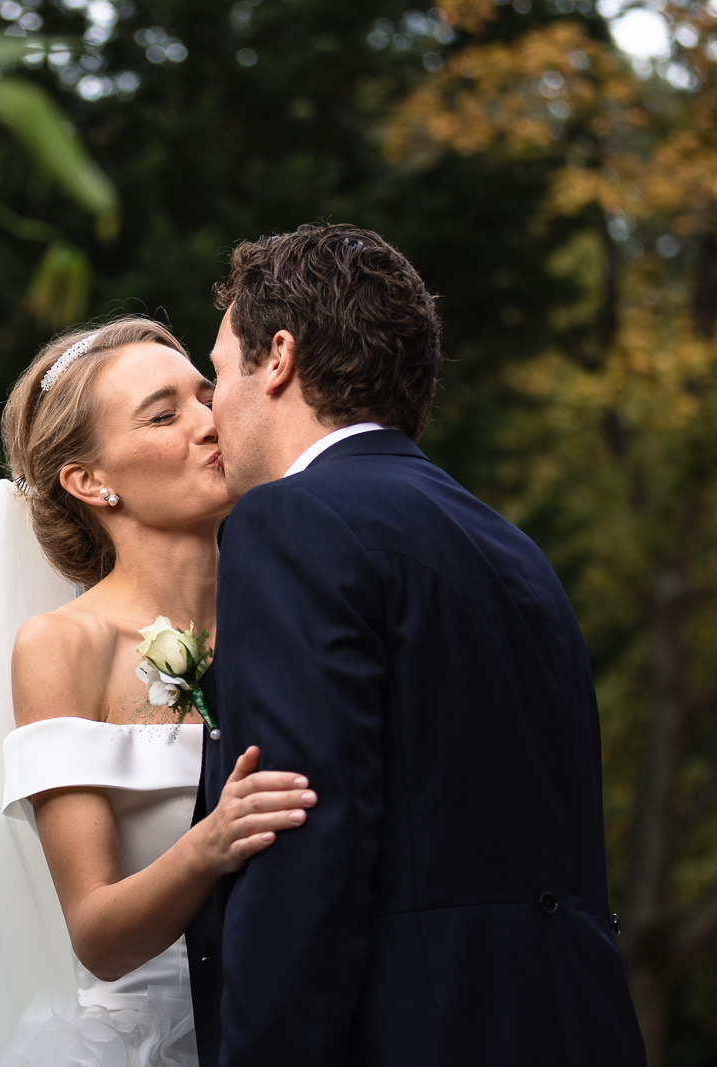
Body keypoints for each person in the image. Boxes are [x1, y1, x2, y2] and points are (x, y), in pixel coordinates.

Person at [186, 223, 646, 1066]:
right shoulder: (512, 548)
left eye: (217, 371)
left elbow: (304, 848)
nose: (213, 408)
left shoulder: (290, 522)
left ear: (277, 356)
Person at [0, 316, 318, 1067]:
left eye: (206, 395)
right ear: (90, 481)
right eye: (164, 415)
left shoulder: (289, 614)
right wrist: (211, 840)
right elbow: (98, 934)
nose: (210, 423)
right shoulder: (63, 646)